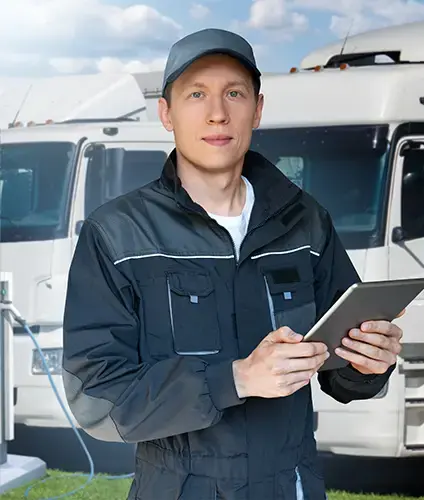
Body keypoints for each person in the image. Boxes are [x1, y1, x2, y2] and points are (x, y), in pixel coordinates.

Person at [61, 28, 403, 500]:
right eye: (196, 94)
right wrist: (236, 379)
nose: (217, 112)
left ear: (257, 109)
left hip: (292, 486)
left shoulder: (305, 222)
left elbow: (341, 369)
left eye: (234, 93)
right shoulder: (116, 233)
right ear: (166, 113)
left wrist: (368, 363)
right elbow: (95, 396)